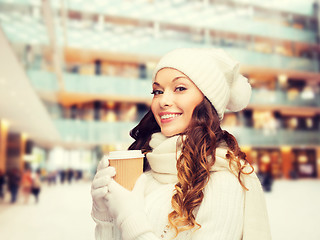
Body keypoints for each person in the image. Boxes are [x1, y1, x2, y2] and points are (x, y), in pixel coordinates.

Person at [91, 48, 271, 240]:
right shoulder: (148, 170)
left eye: (180, 88)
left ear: (207, 102)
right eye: (157, 91)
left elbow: (131, 222)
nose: (163, 101)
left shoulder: (222, 182)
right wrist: (105, 216)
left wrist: (129, 217)